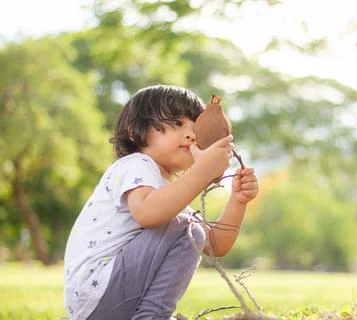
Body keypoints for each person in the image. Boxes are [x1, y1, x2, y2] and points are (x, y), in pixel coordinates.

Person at [63, 84, 259, 320]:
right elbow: (148, 213)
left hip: (105, 300)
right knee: (187, 228)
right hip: (98, 288)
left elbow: (214, 245)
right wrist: (203, 172)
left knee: (189, 229)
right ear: (136, 131)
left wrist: (238, 201)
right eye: (177, 123)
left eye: (194, 127)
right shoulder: (136, 164)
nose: (191, 134)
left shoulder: (167, 194)